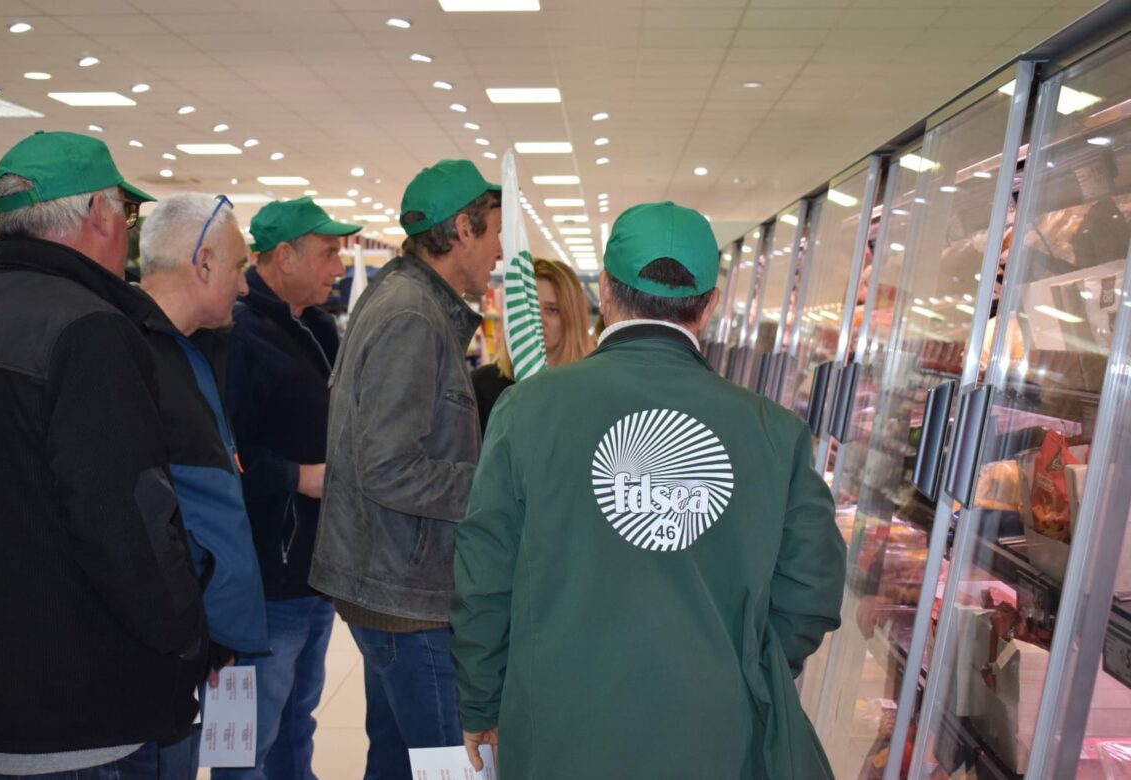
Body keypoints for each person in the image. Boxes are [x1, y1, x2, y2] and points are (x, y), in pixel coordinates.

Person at [451, 201, 847, 779]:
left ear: (606, 292)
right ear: (709, 306)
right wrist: (743, 665)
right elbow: (811, 590)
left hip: (560, 723)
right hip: (714, 733)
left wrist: (482, 700)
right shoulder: (775, 433)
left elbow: (483, 572)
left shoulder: (528, 410)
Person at [0, 131, 207, 778]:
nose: (128, 233)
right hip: (78, 711)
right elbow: (127, 522)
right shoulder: (89, 330)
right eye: (128, 214)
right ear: (95, 215)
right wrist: (187, 632)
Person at [310, 159, 501, 780]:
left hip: (392, 586)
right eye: (494, 231)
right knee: (453, 765)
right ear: (463, 229)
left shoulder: (407, 301)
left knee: (396, 763)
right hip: (409, 597)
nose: (499, 251)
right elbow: (388, 468)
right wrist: (491, 486)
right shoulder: (413, 316)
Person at [217, 196, 360, 780]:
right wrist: (298, 476)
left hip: (313, 569)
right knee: (246, 742)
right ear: (284, 256)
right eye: (328, 253)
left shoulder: (317, 328)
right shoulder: (238, 335)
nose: (340, 267)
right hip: (263, 580)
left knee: (298, 721)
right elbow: (219, 454)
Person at [137, 193, 271, 771]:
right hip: (167, 655)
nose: (246, 287)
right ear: (205, 263)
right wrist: (194, 633)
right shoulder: (131, 357)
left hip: (196, 650)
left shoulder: (188, 352)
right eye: (240, 267)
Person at [471, 257, 595, 433]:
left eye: (552, 310)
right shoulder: (482, 386)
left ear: (572, 318)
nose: (538, 320)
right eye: (530, 308)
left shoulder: (591, 390)